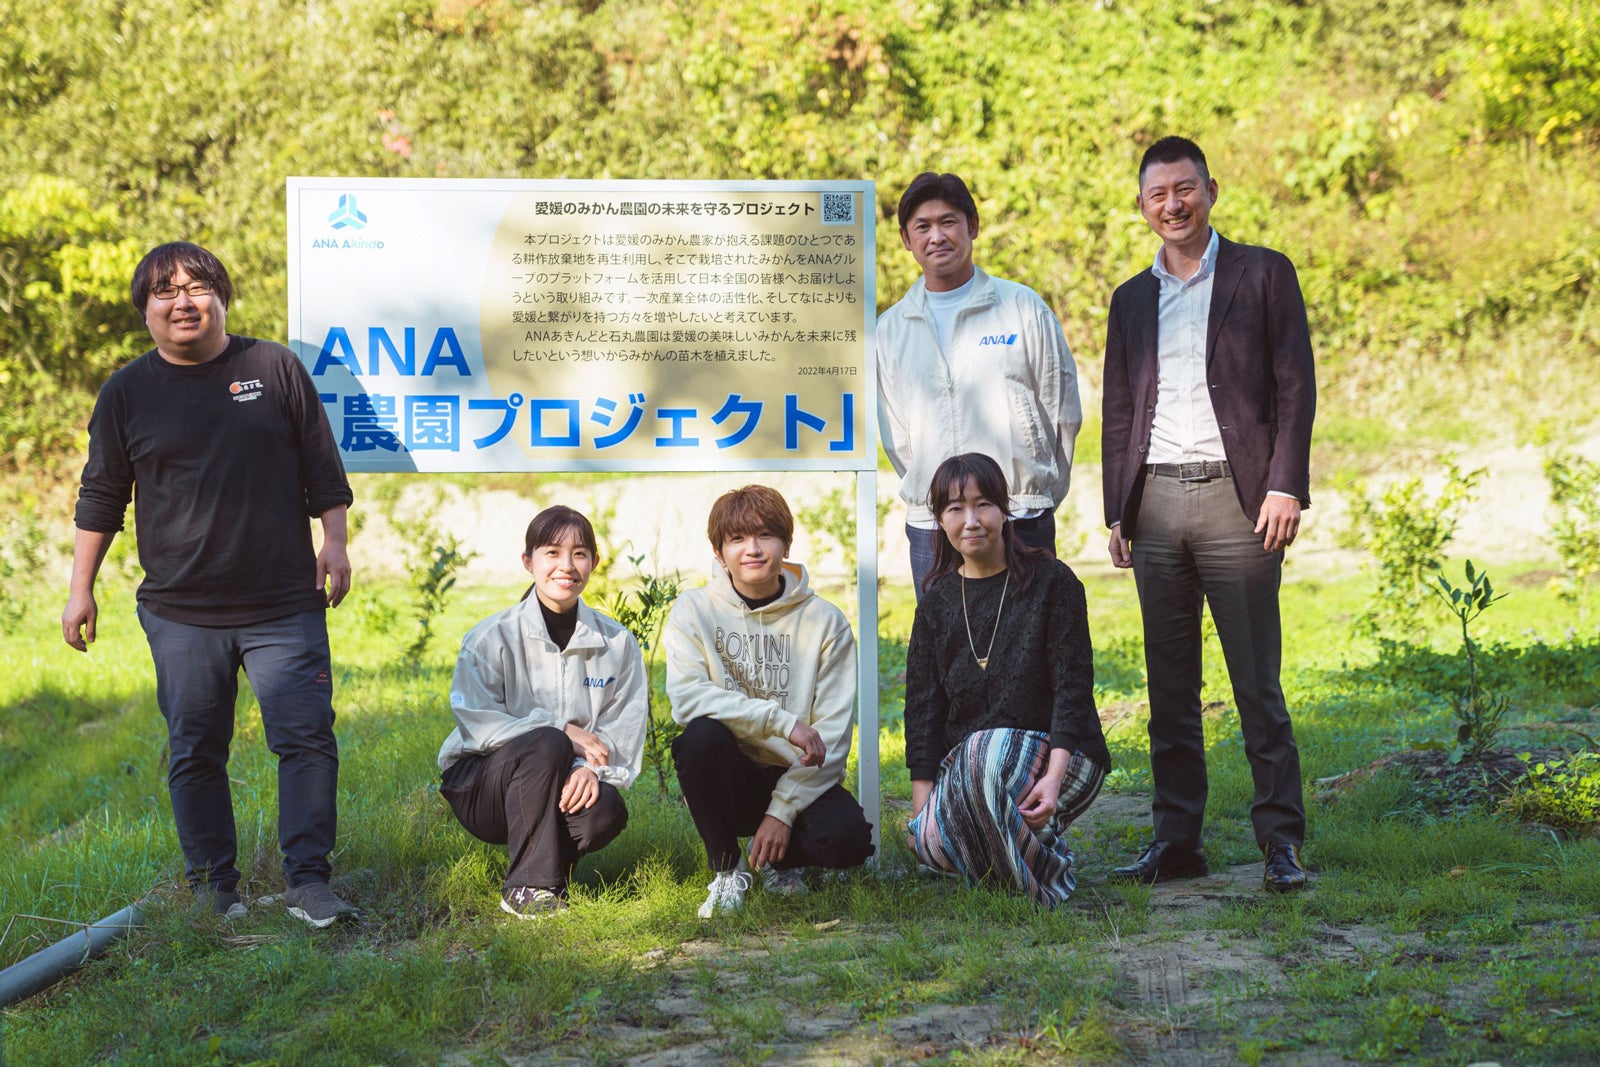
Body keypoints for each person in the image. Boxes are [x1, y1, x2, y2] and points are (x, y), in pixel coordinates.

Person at [63, 241, 358, 927]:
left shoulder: (272, 367)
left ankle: (309, 883)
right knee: (196, 748)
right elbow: (102, 496)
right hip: (180, 610)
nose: (182, 301)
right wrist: (82, 587)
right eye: (164, 292)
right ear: (146, 310)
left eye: (196, 287)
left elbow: (322, 463)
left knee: (307, 738)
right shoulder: (126, 393)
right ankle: (213, 891)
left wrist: (335, 541)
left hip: (283, 602)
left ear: (222, 297)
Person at [1101, 136, 1316, 892]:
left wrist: (1286, 484)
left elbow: (1296, 385)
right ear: (1142, 206)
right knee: (1168, 687)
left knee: (1256, 681)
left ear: (1211, 190)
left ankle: (1281, 842)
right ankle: (1176, 841)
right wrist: (1116, 510)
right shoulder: (1131, 299)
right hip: (1155, 501)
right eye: (1158, 194)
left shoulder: (1263, 273)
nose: (1173, 204)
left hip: (1240, 498)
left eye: (1185, 188)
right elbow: (1120, 407)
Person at [904, 453, 1110, 907]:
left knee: (984, 751)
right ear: (939, 520)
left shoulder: (1053, 583)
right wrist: (923, 815)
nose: (971, 521)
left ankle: (1040, 887)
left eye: (983, 505)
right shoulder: (935, 603)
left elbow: (1072, 691)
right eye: (955, 508)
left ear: (1005, 510)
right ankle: (1031, 853)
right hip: (971, 767)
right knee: (934, 842)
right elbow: (923, 709)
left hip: (1061, 755)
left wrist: (1054, 779)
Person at [665, 485, 874, 918]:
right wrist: (781, 721)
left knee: (848, 839)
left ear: (786, 543)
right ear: (720, 554)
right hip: (731, 773)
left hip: (795, 770)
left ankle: (781, 863)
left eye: (765, 535)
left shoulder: (825, 621)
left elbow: (831, 737)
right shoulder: (694, 609)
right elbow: (686, 698)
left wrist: (781, 811)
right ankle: (728, 870)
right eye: (737, 539)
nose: (753, 550)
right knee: (698, 736)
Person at [877, 171, 1083, 597]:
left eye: (948, 221)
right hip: (933, 527)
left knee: (1031, 650)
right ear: (905, 238)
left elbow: (1060, 410)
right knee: (947, 654)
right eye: (923, 226)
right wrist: (939, 500)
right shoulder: (890, 329)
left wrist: (1037, 493)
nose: (937, 236)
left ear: (972, 226)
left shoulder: (1022, 308)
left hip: (1020, 516)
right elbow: (897, 434)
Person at [439, 506, 646, 918]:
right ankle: (526, 889)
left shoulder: (618, 643)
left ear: (594, 563)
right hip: (482, 786)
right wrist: (561, 731)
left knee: (604, 810)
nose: (566, 566)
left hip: (564, 777)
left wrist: (591, 770)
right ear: (528, 561)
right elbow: (476, 724)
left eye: (580, 553)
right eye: (552, 552)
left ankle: (548, 879)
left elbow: (623, 731)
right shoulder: (490, 637)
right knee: (548, 741)